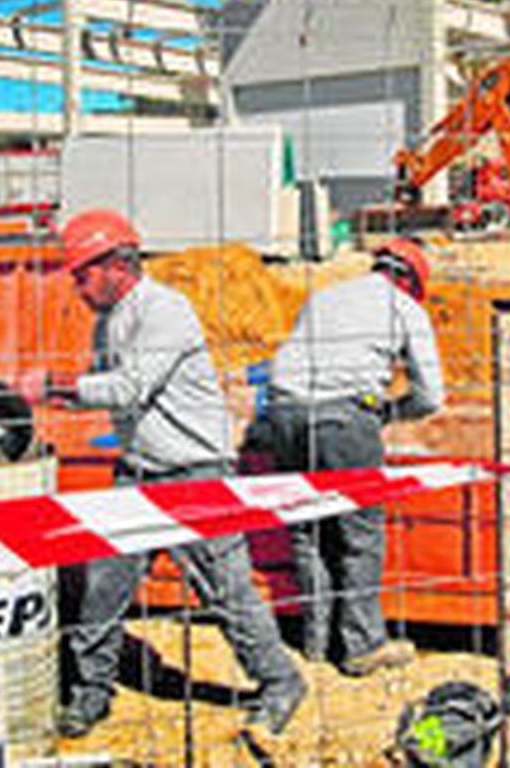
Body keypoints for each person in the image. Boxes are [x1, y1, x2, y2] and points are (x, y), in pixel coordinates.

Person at [44, 210, 306, 738]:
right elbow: (106, 387)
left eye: (83, 274)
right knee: (104, 586)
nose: (77, 286)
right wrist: (59, 396)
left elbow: (130, 387)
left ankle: (280, 683)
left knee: (226, 591)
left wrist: (55, 384)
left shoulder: (166, 310)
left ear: (118, 264)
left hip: (195, 474)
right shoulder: (108, 320)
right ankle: (92, 692)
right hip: (138, 472)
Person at [263, 238, 446, 675]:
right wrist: (389, 412)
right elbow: (432, 395)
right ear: (411, 282)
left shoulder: (324, 295)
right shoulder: (404, 309)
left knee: (309, 533)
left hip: (284, 415)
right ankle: (362, 645)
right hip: (343, 420)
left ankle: (317, 643)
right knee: (359, 535)